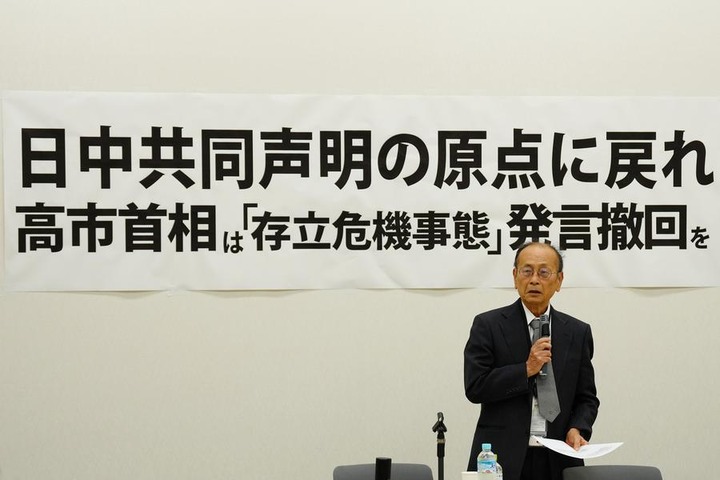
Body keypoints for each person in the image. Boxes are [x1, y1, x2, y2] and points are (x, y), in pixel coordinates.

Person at [464, 242, 599, 480]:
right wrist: (526, 369)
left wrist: (578, 428)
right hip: (502, 457)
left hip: (559, 457)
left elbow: (586, 398)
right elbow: (475, 387)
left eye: (544, 272)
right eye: (527, 271)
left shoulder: (577, 332)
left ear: (559, 280)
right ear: (515, 276)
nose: (534, 280)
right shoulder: (488, 326)